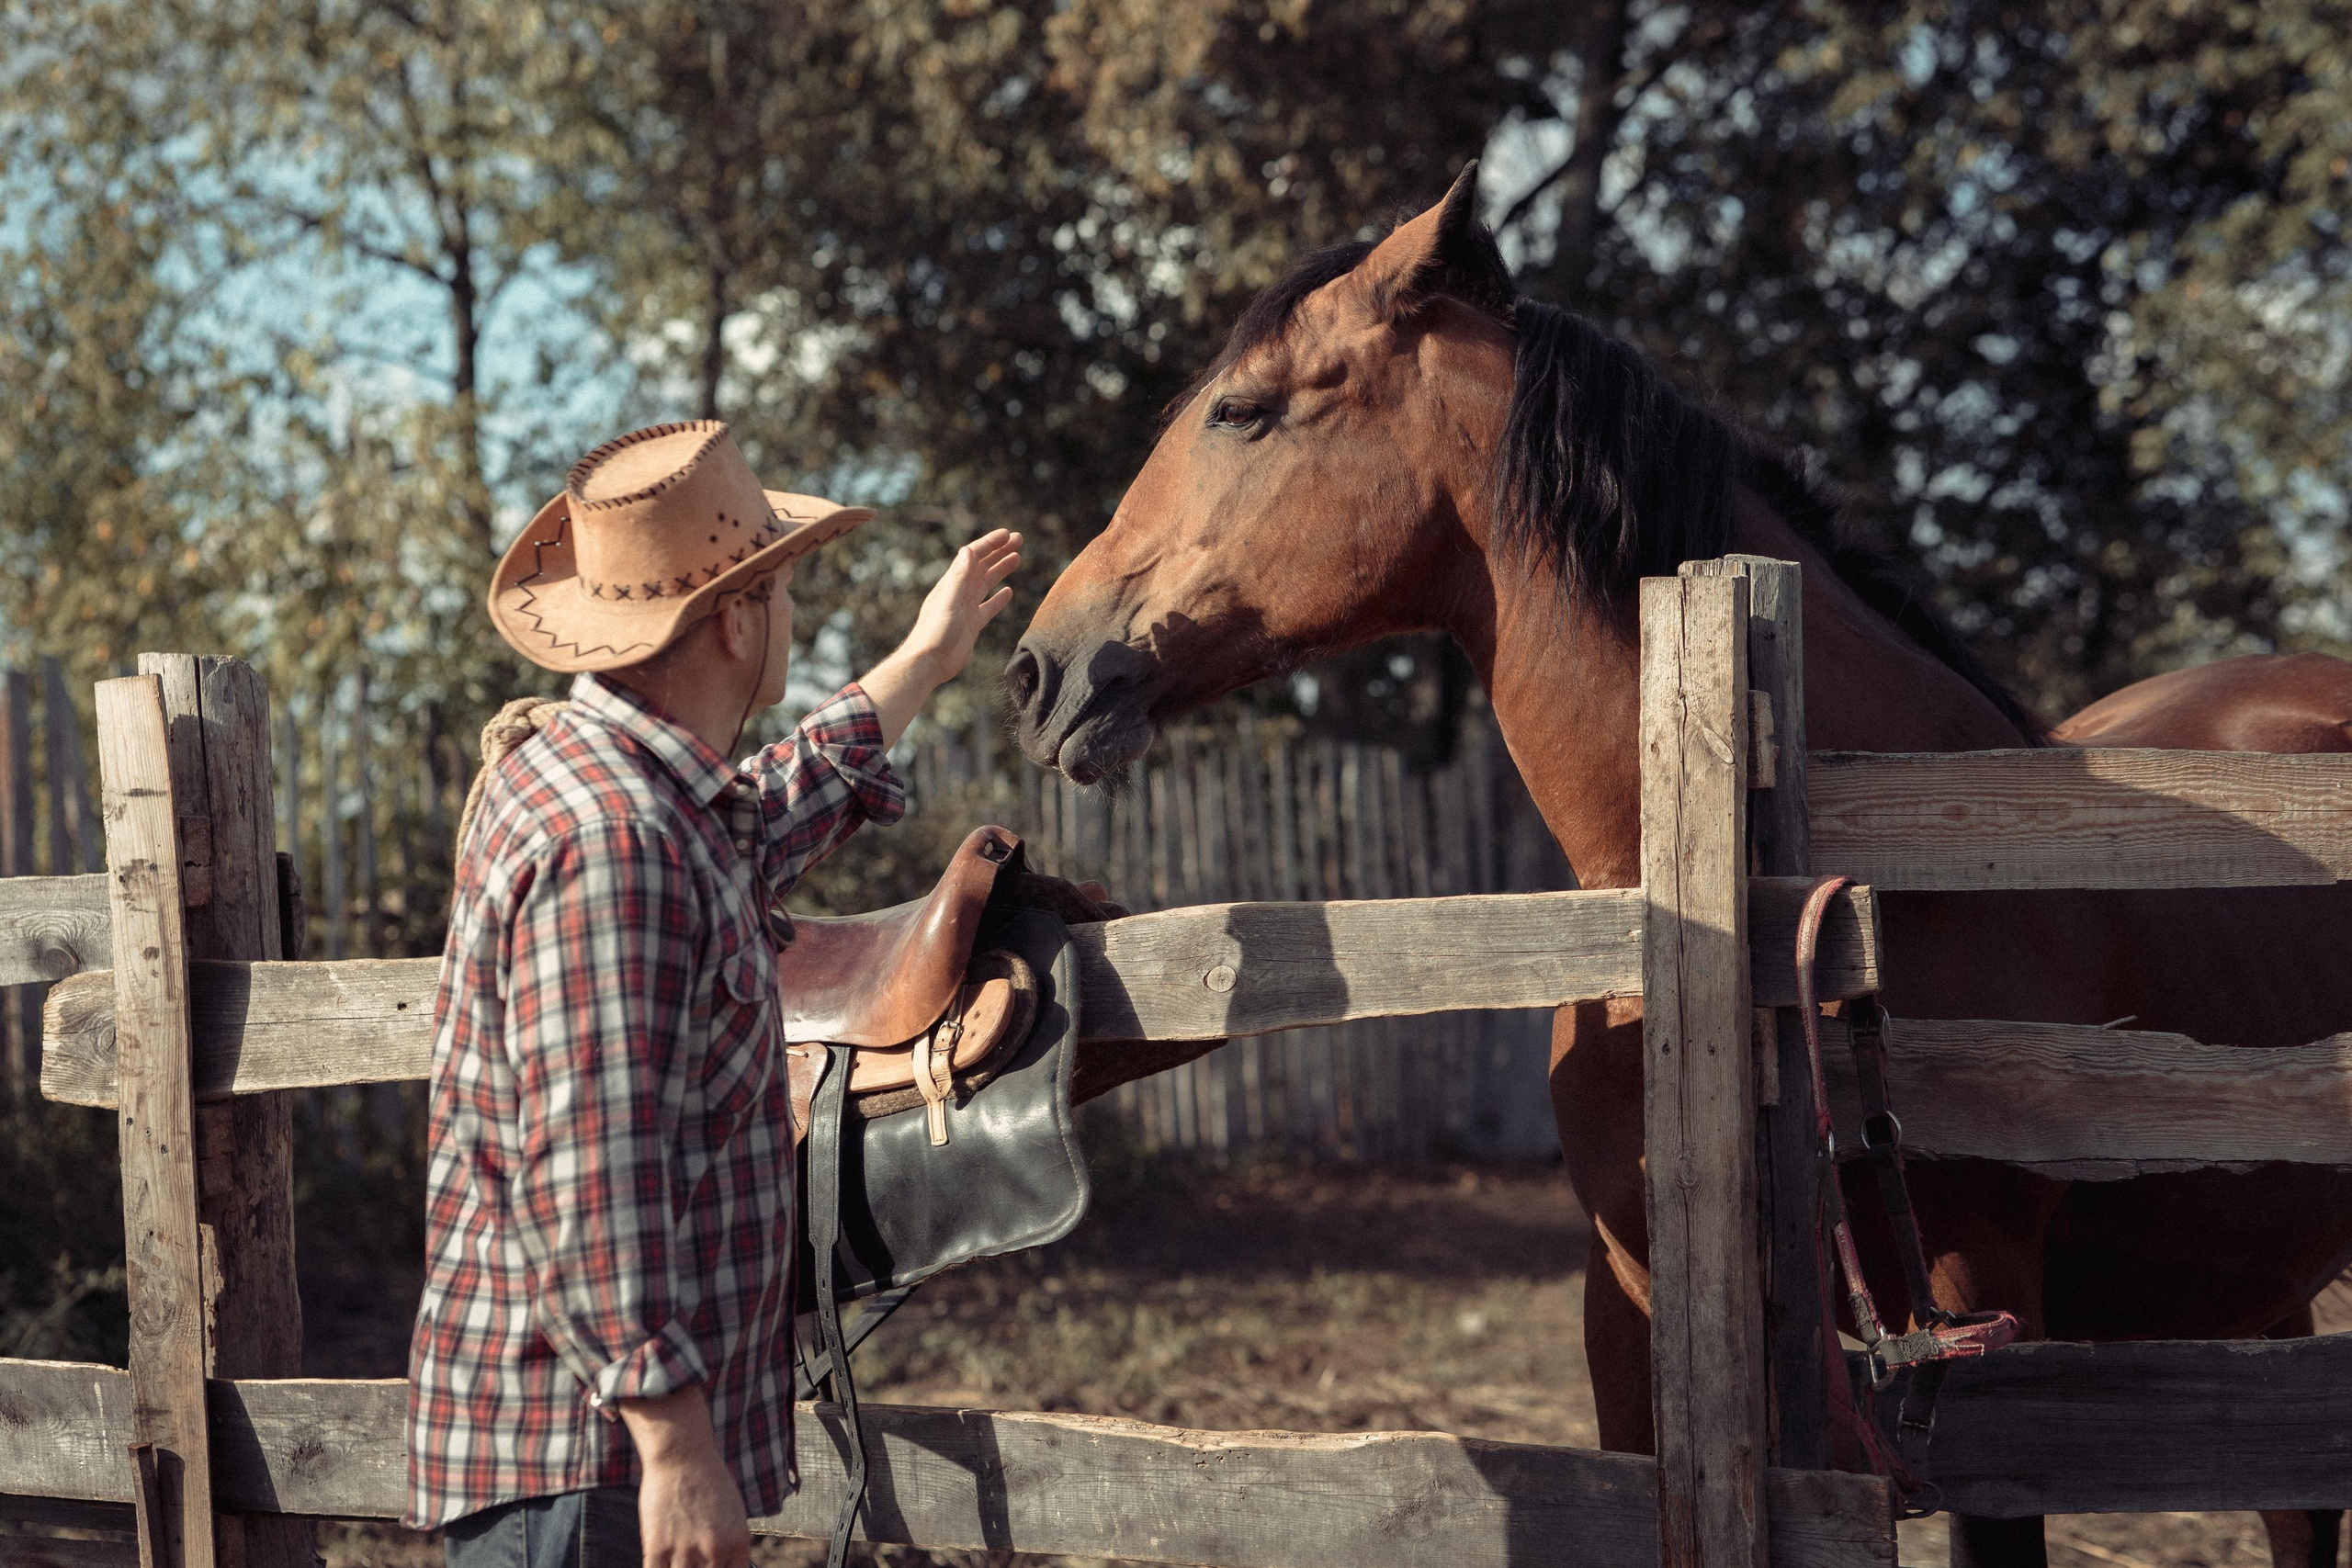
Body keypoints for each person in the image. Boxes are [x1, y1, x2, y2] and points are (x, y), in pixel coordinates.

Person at [404, 421, 1021, 1568]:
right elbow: (593, 1164)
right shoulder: (616, 840)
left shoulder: (614, 786)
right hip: (590, 1469)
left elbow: (762, 813)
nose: (791, 609)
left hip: (576, 1454)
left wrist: (926, 659)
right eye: (781, 587)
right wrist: (676, 1447)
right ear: (738, 617)